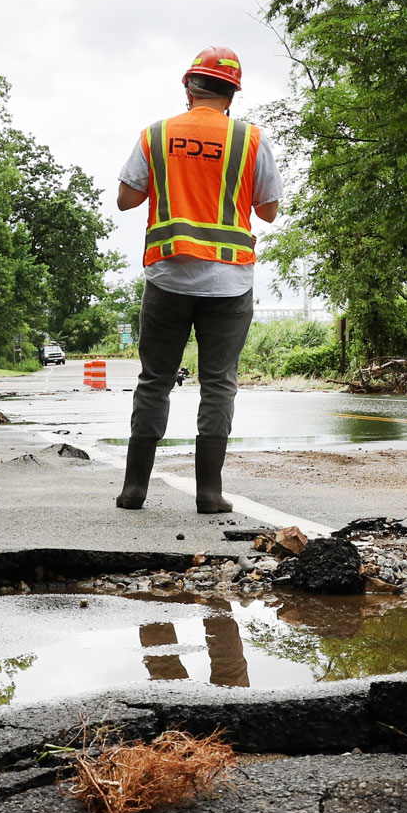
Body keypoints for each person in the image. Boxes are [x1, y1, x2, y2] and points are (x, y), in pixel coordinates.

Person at [113, 47, 282, 513]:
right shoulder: (250, 140)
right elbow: (268, 210)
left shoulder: (158, 134)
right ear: (232, 94)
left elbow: (127, 199)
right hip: (229, 284)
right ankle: (209, 492)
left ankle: (134, 489)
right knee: (218, 384)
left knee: (155, 380)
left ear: (189, 87)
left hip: (168, 277)